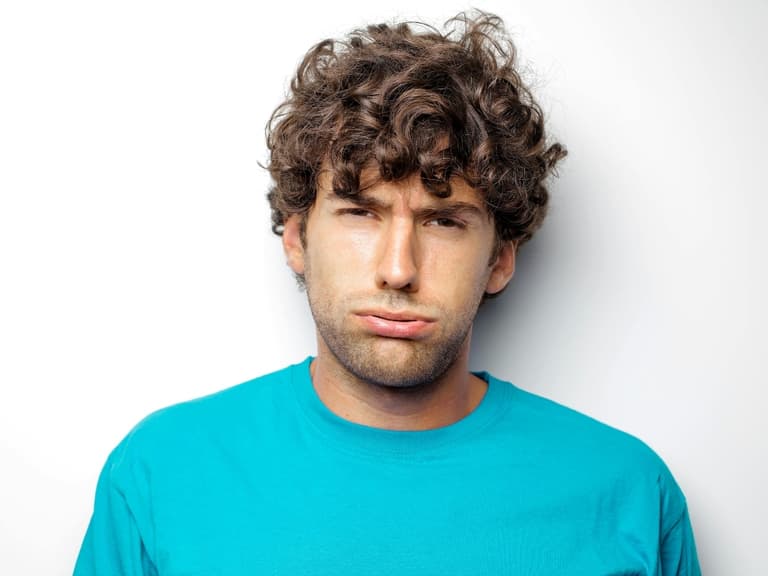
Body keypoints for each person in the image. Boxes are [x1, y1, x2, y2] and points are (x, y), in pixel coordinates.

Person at [74, 11, 700, 575]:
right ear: (296, 238)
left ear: (500, 259)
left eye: (444, 221)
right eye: (360, 214)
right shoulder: (162, 472)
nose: (398, 270)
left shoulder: (627, 494)